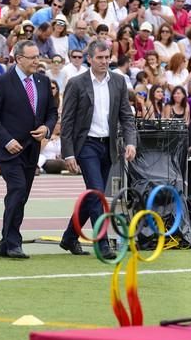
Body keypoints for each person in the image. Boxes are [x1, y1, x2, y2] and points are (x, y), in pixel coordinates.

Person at [59, 40, 137, 257]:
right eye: (100, 58)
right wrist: (68, 152)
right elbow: (67, 121)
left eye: (107, 57)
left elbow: (126, 116)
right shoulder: (76, 83)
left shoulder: (119, 82)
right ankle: (102, 244)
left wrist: (131, 141)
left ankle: (69, 237)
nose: (104, 61)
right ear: (90, 59)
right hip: (86, 146)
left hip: (108, 146)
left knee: (93, 195)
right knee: (97, 193)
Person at [0, 40, 58, 259]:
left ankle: (7, 242)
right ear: (19, 58)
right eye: (32, 57)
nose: (37, 61)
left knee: (21, 195)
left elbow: (52, 113)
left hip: (31, 149)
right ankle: (14, 241)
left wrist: (47, 127)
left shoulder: (43, 82)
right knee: (17, 188)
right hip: (8, 149)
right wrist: (6, 140)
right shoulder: (2, 82)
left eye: (38, 57)